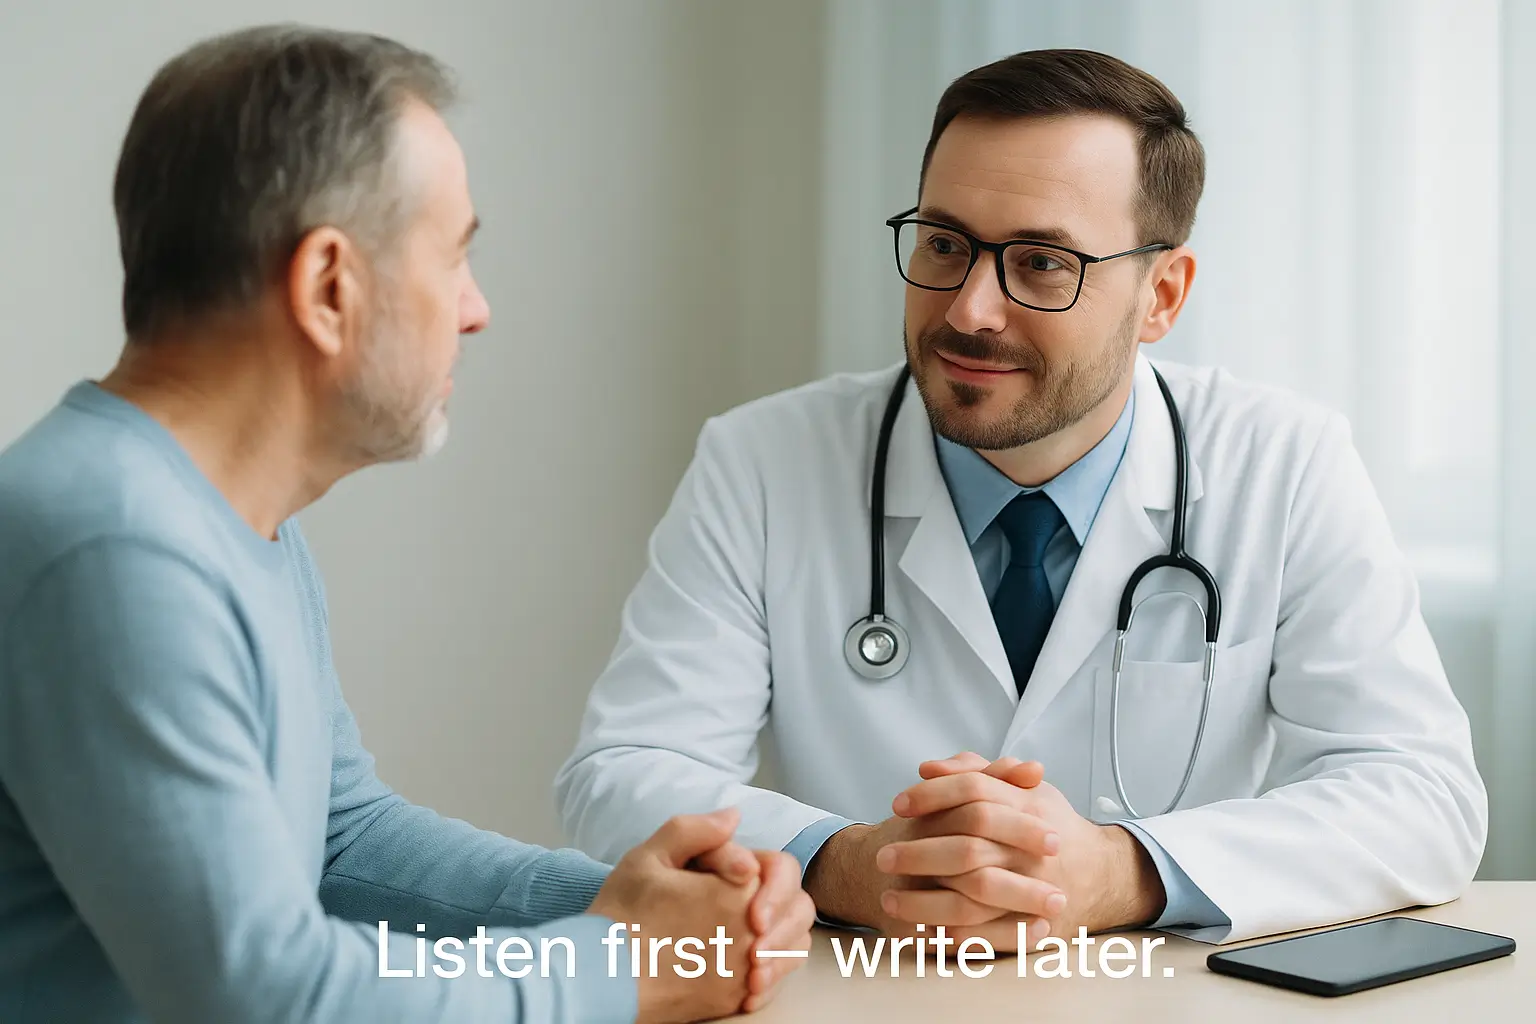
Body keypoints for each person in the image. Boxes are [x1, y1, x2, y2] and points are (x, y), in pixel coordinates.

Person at [556, 48, 1487, 949]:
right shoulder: (762, 459)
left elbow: (1422, 795)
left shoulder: (1283, 463)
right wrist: (848, 865)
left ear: (1161, 294)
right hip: (867, 989)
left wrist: (1119, 874)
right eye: (945, 243)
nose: (968, 309)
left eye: (1042, 262)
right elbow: (625, 773)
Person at [0, 24, 812, 1024]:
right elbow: (272, 996)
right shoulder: (111, 549)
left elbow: (345, 842)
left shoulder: (222, 519)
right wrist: (623, 965)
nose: (475, 310)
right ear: (329, 287)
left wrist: (644, 905)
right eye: (454, 257)